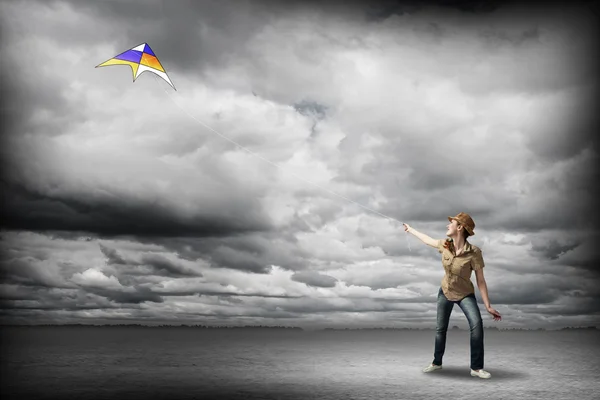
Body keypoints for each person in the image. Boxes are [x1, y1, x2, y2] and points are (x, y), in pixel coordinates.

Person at [403, 212, 501, 379]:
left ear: (460, 227)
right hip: (445, 291)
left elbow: (481, 281)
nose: (448, 226)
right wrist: (410, 229)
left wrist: (488, 305)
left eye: (452, 223)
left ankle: (476, 368)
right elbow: (428, 240)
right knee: (440, 329)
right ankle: (437, 363)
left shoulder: (474, 252)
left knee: (477, 325)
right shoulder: (445, 244)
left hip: (465, 294)